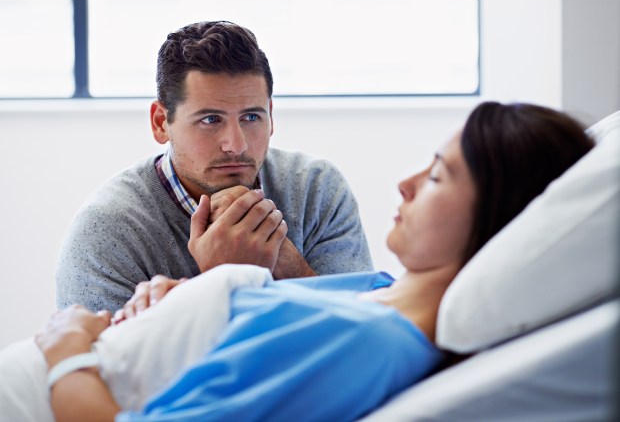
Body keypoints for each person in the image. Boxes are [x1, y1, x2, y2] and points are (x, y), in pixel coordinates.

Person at [2, 102, 594, 421]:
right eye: (210, 119)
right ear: (163, 121)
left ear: (496, 216)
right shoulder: (376, 290)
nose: (406, 183)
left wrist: (65, 353)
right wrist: (180, 299)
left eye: (439, 175)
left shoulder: (365, 337)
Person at [55, 20, 373, 314]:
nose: (236, 144)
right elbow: (101, 372)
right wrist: (223, 281)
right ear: (160, 123)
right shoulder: (106, 231)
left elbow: (365, 338)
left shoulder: (317, 190)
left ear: (271, 116)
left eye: (251, 117)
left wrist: (283, 261)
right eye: (210, 120)